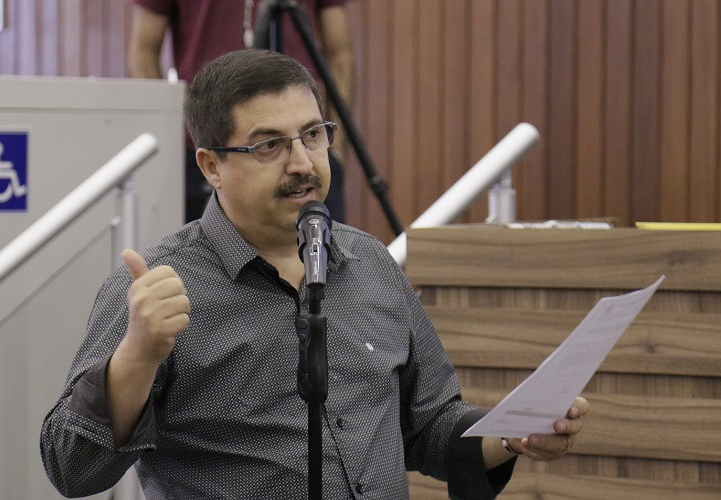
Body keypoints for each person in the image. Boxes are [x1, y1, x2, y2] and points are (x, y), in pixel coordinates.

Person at [40, 49, 589, 499]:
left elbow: (431, 426)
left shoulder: (371, 264)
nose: (301, 162)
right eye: (269, 145)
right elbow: (71, 467)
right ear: (211, 166)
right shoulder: (160, 286)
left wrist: (513, 433)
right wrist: (136, 354)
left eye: (312, 135)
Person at [127, 0, 353, 223]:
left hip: (305, 145)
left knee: (325, 252)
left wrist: (336, 147)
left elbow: (340, 56)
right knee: (205, 254)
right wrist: (178, 138)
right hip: (206, 150)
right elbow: (143, 53)